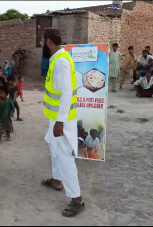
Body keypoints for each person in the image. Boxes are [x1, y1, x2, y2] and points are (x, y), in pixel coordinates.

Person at [40, 27, 84, 218]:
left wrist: (59, 122)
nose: (43, 45)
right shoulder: (57, 58)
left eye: (43, 41)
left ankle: (77, 199)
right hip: (56, 117)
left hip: (62, 119)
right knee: (52, 144)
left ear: (49, 41)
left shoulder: (61, 61)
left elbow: (66, 93)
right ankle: (57, 180)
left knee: (64, 156)